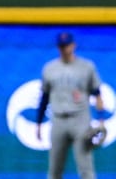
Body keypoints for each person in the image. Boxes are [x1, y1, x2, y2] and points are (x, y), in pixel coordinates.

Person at [36, 32, 106, 179]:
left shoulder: (86, 67)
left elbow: (97, 93)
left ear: (73, 45)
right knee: (55, 169)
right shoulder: (50, 68)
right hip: (58, 120)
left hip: (80, 120)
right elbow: (44, 97)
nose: (64, 49)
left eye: (67, 45)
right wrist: (38, 124)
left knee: (85, 167)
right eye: (61, 46)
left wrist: (101, 119)